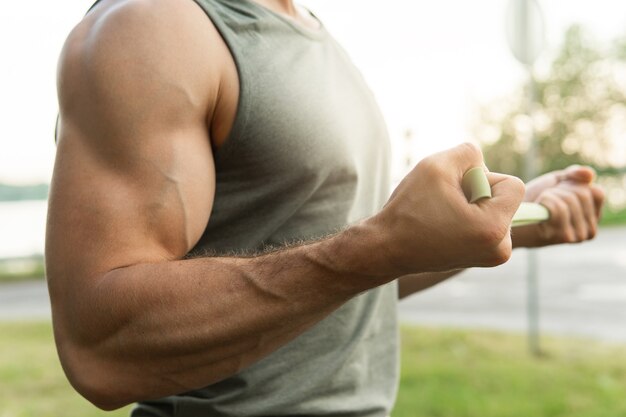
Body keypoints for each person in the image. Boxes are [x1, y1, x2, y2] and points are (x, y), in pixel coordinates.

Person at [46, 0, 604, 415]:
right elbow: (102, 351)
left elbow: (345, 283)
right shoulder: (150, 29)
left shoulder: (308, 31)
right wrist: (379, 245)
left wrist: (510, 218)